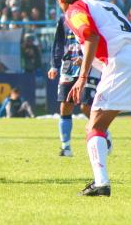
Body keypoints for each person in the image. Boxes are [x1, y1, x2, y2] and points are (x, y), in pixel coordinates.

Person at [53, 0, 131, 197]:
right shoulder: (105, 4)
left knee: (94, 127)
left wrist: (82, 78)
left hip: (123, 61)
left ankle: (101, 183)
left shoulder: (74, 10)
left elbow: (90, 36)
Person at [48, 15, 108, 157]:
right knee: (65, 106)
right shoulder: (63, 19)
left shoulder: (92, 16)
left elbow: (98, 40)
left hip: (90, 65)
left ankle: (103, 133)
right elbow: (58, 43)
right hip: (68, 65)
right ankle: (66, 147)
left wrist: (87, 57)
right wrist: (54, 65)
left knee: (86, 106)